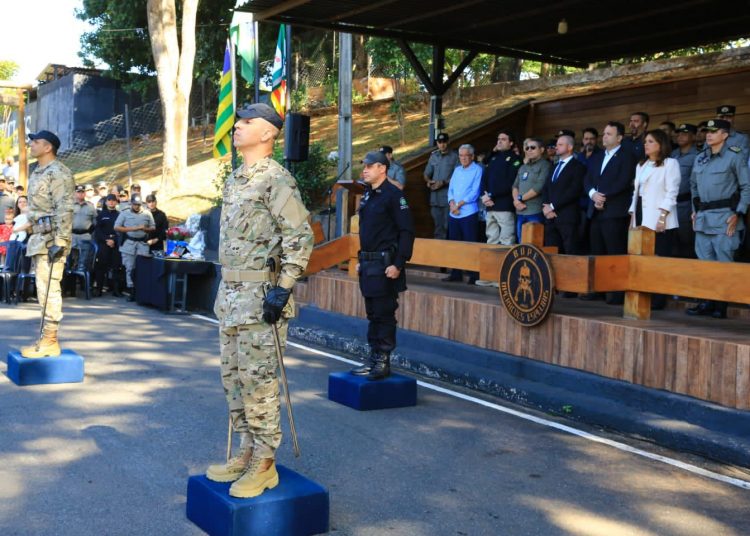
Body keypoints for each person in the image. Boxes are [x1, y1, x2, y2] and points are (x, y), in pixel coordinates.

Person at [206, 103, 313, 499]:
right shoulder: (236, 179)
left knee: (259, 383)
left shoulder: (276, 180)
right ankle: (247, 450)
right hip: (230, 297)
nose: (237, 127)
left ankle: (265, 461)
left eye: (246, 123)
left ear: (268, 133)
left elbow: (300, 238)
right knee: (233, 379)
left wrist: (283, 287)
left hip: (260, 299)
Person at [351, 150, 414, 380]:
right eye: (364, 166)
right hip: (369, 264)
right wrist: (361, 259)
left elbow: (407, 232)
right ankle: (373, 358)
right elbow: (368, 231)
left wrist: (398, 263)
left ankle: (383, 360)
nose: (364, 170)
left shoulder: (394, 196)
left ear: (382, 168)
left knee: (384, 313)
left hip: (386, 265)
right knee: (372, 313)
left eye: (369, 166)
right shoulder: (369, 195)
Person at [686, 119, 750, 319]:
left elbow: (747, 187)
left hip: (725, 218)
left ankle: (721, 306)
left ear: (725, 135)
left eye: (714, 131)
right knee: (705, 264)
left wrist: (738, 213)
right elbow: (693, 186)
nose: (709, 134)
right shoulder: (700, 158)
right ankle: (706, 302)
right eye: (707, 131)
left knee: (724, 265)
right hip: (703, 219)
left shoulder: (735, 157)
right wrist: (694, 210)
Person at [19, 130, 75, 358]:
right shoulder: (37, 172)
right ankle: (46, 337)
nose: (31, 145)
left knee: (49, 288)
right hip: (39, 238)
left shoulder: (59, 173)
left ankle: (51, 340)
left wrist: (60, 242)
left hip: (52, 241)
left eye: (37, 142)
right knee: (42, 289)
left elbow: (65, 208)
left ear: (48, 147)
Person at [582, 121, 636, 304]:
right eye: (604, 133)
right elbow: (587, 179)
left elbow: (623, 181)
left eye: (609, 134)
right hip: (595, 211)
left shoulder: (627, 157)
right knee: (597, 252)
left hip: (614, 211)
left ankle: (616, 292)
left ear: (619, 138)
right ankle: (599, 289)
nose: (604, 137)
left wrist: (603, 197)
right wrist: (592, 194)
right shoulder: (597, 157)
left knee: (614, 252)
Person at [628, 129, 681, 309]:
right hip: (641, 214)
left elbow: (672, 191)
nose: (646, 144)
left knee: (659, 258)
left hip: (660, 217)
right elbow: (637, 193)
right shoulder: (641, 165)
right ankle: (646, 295)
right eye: (645, 141)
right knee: (643, 258)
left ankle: (659, 299)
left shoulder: (670, 163)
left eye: (650, 141)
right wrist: (632, 218)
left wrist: (662, 217)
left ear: (661, 144)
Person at [542, 134, 587, 256]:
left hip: (567, 217)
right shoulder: (554, 167)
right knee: (551, 253)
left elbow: (574, 191)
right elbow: (546, 187)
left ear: (570, 147)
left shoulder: (578, 167)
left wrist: (553, 206)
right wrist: (546, 207)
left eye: (560, 144)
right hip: (550, 217)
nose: (556, 147)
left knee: (570, 252)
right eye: (557, 144)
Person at [443, 144, 482, 284]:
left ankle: (473, 275)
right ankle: (456, 273)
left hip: (468, 212)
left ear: (472, 156)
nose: (463, 158)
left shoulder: (477, 169)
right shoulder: (457, 170)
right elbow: (451, 189)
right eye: (461, 155)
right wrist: (452, 203)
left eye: (466, 155)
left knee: (470, 244)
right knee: (455, 244)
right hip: (454, 213)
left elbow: (475, 192)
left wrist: (459, 204)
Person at [480, 130, 522, 249]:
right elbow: (484, 179)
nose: (499, 141)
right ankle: (492, 267)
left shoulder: (515, 159)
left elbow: (511, 183)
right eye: (498, 139)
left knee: (506, 242)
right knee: (491, 240)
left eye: (503, 139)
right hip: (490, 206)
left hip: (504, 206)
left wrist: (491, 195)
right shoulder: (493, 159)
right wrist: (484, 196)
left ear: (511, 143)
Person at [114, 194, 154, 301]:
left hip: (142, 244)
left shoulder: (147, 213)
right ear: (131, 203)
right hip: (129, 243)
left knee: (142, 268)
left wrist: (146, 229)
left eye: (139, 204)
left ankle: (141, 291)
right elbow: (116, 227)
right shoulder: (124, 213)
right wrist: (134, 228)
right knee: (129, 268)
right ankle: (131, 290)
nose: (137, 206)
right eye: (135, 204)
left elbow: (153, 227)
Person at [513, 138, 551, 244]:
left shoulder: (545, 165)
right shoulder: (523, 167)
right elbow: (515, 186)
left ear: (542, 150)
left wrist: (520, 199)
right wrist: (516, 201)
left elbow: (539, 187)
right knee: (521, 244)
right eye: (527, 148)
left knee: (534, 245)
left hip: (535, 212)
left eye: (533, 147)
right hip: (520, 211)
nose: (529, 150)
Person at [670, 123, 699, 258]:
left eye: (685, 133)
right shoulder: (672, 154)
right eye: (679, 133)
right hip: (670, 204)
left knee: (686, 242)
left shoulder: (697, 156)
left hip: (686, 204)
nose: (680, 136)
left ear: (693, 136)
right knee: (671, 242)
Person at [423, 132, 459, 240]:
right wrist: (428, 181)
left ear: (448, 142)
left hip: (448, 198)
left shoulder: (455, 156)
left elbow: (458, 176)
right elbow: (426, 173)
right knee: (437, 226)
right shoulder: (434, 156)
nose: (442, 145)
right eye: (439, 142)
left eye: (444, 142)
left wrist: (443, 182)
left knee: (447, 226)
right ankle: (438, 252)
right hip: (434, 198)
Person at [93, 194, 121, 297]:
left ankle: (116, 290)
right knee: (100, 267)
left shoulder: (119, 215)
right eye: (109, 200)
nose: (111, 202)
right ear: (106, 202)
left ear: (116, 202)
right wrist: (106, 240)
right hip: (104, 243)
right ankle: (99, 289)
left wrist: (114, 240)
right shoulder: (101, 215)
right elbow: (97, 231)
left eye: (113, 200)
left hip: (115, 243)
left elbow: (121, 230)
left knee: (116, 267)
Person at [71, 184, 97, 272]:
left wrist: (89, 232)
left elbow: (95, 222)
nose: (80, 194)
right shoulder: (70, 206)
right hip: (72, 236)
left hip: (85, 236)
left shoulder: (91, 207)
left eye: (82, 192)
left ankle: (83, 284)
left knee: (84, 263)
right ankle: (70, 284)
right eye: (78, 192)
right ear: (75, 193)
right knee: (70, 263)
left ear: (85, 193)